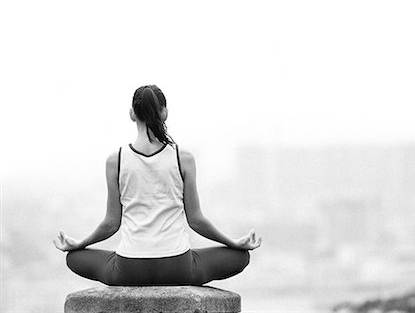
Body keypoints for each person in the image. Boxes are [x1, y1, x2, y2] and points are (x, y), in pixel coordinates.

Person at [53, 84, 262, 286]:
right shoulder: (183, 158)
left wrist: (79, 244)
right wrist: (233, 243)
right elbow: (196, 221)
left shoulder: (115, 160)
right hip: (178, 267)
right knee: (240, 257)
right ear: (165, 113)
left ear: (132, 114)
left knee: (74, 258)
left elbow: (111, 224)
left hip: (128, 268)